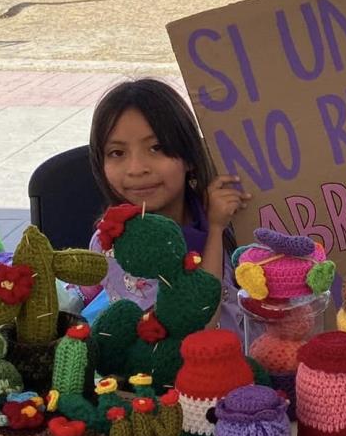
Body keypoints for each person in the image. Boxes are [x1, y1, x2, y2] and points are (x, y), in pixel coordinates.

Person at [87, 78, 252, 329]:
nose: (137, 169)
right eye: (117, 153)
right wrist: (215, 231)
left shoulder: (223, 213)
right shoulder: (113, 246)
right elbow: (196, 326)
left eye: (157, 147)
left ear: (189, 156)